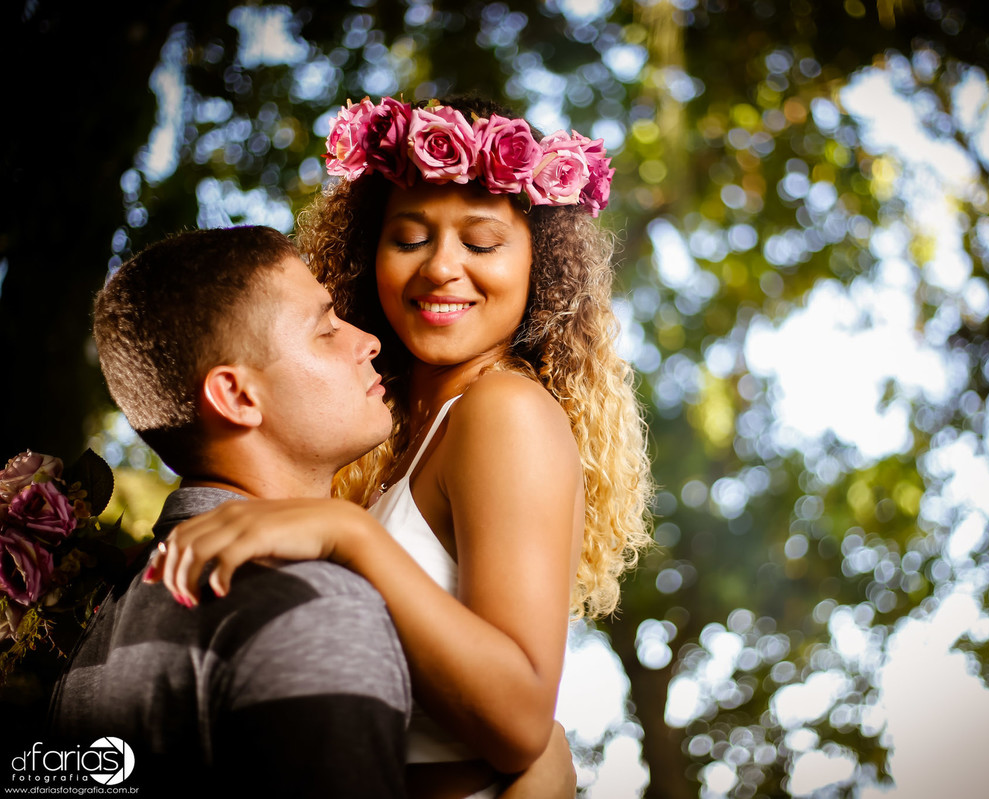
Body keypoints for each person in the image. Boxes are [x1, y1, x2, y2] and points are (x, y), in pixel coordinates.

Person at [153, 96, 653, 799]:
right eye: (410, 237)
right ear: (369, 252)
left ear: (539, 265)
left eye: (481, 243)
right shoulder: (387, 437)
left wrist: (346, 532)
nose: (443, 267)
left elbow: (518, 721)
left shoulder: (501, 411)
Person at [50, 226, 574, 798]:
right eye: (326, 330)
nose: (367, 341)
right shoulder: (312, 603)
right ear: (238, 397)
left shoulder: (96, 633)